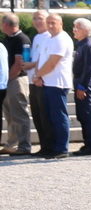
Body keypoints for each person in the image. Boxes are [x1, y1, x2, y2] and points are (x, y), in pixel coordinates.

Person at [32, 13, 73, 160]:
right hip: (47, 82)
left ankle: (62, 147)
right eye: (48, 22)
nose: (49, 25)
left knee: (58, 116)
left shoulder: (61, 39)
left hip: (57, 83)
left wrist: (38, 76)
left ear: (60, 23)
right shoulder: (49, 39)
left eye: (53, 23)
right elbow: (41, 60)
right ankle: (52, 147)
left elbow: (52, 63)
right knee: (49, 117)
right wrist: (38, 75)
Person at [0, 12, 32, 156]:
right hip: (9, 81)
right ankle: (12, 144)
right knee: (9, 115)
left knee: (19, 114)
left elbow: (19, 64)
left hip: (16, 80)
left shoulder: (21, 39)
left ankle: (24, 145)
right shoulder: (9, 39)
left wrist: (7, 80)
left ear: (6, 25)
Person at [21, 9, 50, 155]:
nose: (37, 21)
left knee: (45, 115)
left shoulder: (49, 36)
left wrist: (32, 65)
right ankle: (44, 145)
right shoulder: (37, 37)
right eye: (35, 18)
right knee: (37, 115)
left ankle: (49, 146)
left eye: (40, 18)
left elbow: (46, 59)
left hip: (43, 81)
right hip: (33, 80)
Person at [70, 18, 91, 155]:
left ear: (87, 30)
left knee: (87, 115)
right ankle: (87, 143)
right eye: (74, 27)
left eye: (78, 27)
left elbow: (89, 68)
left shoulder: (88, 45)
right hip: (80, 82)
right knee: (82, 115)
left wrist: (82, 86)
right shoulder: (81, 44)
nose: (74, 30)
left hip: (85, 84)